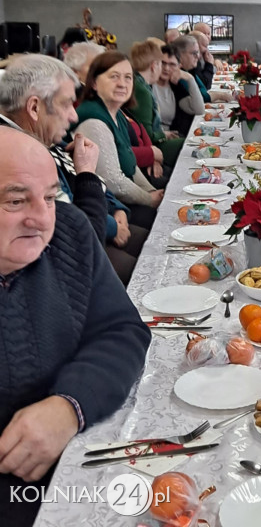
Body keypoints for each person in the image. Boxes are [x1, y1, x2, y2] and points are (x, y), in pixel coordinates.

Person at [0, 127, 151, 527]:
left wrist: (68, 406)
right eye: (16, 200)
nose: (40, 217)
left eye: (50, 196)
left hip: (78, 459)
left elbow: (122, 329)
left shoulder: (68, 230)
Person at [0, 55, 146, 285]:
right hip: (57, 270)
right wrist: (87, 174)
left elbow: (95, 182)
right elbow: (78, 239)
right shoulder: (20, 156)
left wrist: (117, 209)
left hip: (94, 230)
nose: (73, 115)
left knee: (154, 241)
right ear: (35, 107)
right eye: (66, 103)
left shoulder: (45, 139)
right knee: (143, 268)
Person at [74, 52, 164, 228]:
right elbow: (113, 181)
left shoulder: (116, 114)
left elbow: (130, 163)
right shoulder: (94, 122)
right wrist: (149, 200)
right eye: (114, 77)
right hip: (108, 209)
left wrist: (151, 191)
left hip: (121, 199)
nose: (123, 84)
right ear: (93, 82)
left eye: (128, 77)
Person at [130, 39, 184, 168]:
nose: (164, 69)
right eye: (161, 64)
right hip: (150, 147)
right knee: (188, 146)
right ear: (154, 65)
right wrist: (163, 135)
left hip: (147, 144)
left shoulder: (140, 83)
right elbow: (147, 134)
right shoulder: (142, 90)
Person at [153, 44, 204, 136]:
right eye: (163, 63)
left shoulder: (176, 87)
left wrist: (190, 79)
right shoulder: (149, 85)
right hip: (155, 137)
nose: (166, 68)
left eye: (172, 64)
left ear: (179, 66)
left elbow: (199, 110)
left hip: (171, 136)